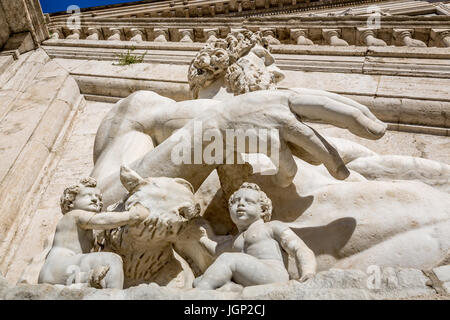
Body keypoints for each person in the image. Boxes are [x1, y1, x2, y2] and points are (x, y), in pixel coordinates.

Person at [193, 182, 316, 289]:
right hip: (248, 277)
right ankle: (221, 288)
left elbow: (299, 248)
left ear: (262, 209)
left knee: (227, 260)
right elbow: (216, 250)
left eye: (249, 202)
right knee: (197, 280)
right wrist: (201, 238)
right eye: (235, 202)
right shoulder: (235, 240)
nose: (241, 204)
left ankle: (200, 294)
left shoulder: (271, 227)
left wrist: (308, 273)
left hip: (273, 276)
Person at [38, 177, 149, 289]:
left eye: (99, 198)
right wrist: (130, 216)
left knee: (99, 275)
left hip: (63, 271)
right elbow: (102, 220)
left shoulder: (89, 230)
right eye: (88, 195)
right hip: (59, 266)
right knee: (111, 260)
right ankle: (114, 295)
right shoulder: (74, 215)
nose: (96, 200)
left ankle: (87, 281)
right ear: (71, 202)